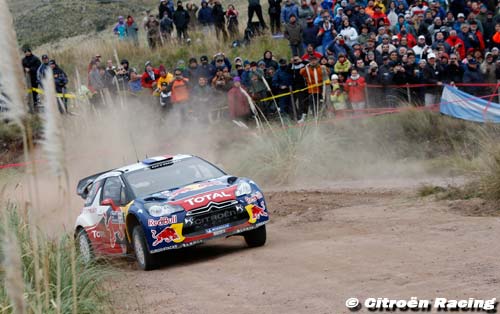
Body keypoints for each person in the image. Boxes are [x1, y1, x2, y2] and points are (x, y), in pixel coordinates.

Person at [299, 55, 330, 119]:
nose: (313, 62)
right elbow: (301, 72)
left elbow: (328, 72)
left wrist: (324, 68)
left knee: (323, 103)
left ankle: (324, 115)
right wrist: (306, 67)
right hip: (312, 90)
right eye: (311, 60)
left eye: (314, 60)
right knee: (313, 104)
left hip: (321, 89)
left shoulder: (321, 67)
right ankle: (315, 116)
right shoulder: (307, 69)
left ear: (317, 60)